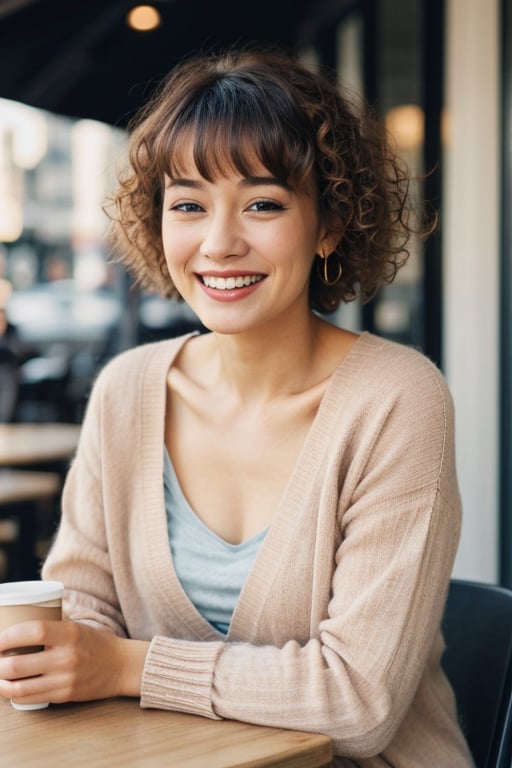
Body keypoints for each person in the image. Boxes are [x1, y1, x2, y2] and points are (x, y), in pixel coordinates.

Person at [0, 48, 474, 766]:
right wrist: (59, 655)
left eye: (262, 204)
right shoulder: (128, 391)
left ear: (329, 226)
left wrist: (126, 667)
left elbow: (357, 703)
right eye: (188, 204)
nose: (219, 244)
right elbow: (82, 610)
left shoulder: (397, 400)